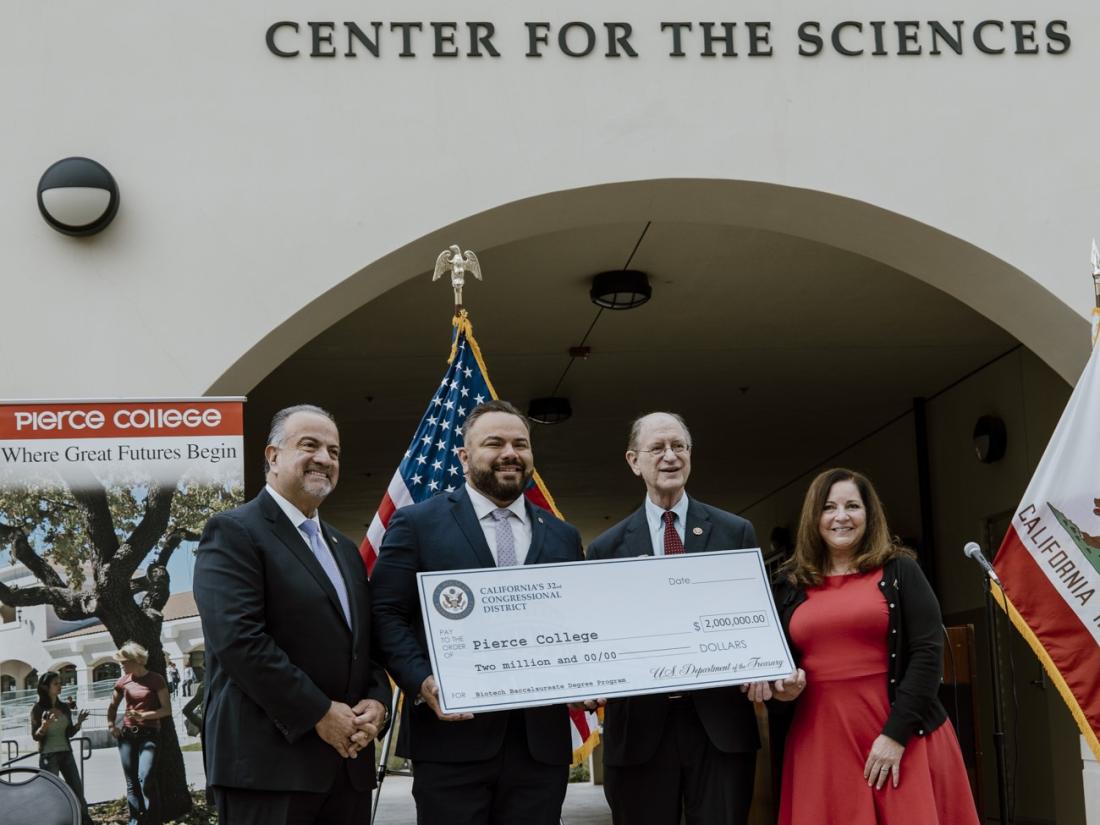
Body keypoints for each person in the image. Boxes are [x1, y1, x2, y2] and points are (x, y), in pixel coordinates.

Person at [371, 399, 584, 825]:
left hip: (539, 746)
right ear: (465, 457)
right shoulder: (417, 524)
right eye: (495, 443)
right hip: (450, 740)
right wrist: (421, 680)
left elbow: (577, 623)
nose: (510, 453)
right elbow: (386, 612)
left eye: (520, 444)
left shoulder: (562, 535)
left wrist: (591, 672)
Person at [586, 411, 800, 825]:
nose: (670, 457)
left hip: (719, 726)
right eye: (657, 448)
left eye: (679, 447)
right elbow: (600, 636)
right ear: (634, 461)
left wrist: (762, 661)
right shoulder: (606, 548)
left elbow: (756, 615)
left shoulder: (734, 532)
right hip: (639, 733)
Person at [193, 404, 392, 825]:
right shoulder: (234, 532)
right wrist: (319, 713)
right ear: (272, 456)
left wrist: (378, 701)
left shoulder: (345, 551)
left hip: (347, 766)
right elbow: (238, 640)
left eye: (334, 451)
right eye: (310, 445)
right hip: (268, 770)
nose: (324, 458)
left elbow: (364, 644)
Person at [772, 468, 980, 824]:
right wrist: (780, 687)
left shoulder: (900, 570)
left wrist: (894, 736)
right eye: (828, 507)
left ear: (869, 516)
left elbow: (928, 653)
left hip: (901, 733)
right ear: (813, 517)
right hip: (820, 741)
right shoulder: (789, 584)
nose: (841, 516)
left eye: (852, 506)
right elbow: (777, 662)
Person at [107, 641, 172, 825]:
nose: (122, 665)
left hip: (150, 735)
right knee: (131, 782)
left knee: (146, 778)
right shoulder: (123, 681)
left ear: (136, 660)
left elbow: (166, 710)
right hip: (127, 735)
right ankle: (136, 820)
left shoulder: (156, 679)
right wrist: (112, 726)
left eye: (124, 662)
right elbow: (112, 707)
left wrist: (143, 715)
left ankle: (153, 820)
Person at [30, 671, 93, 825]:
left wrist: (78, 723)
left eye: (60, 683)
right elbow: (36, 736)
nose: (60, 686)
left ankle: (84, 821)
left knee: (77, 790)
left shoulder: (64, 707)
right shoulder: (38, 709)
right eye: (56, 684)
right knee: (53, 792)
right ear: (46, 687)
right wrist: (45, 725)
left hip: (66, 753)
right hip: (48, 756)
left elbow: (69, 733)